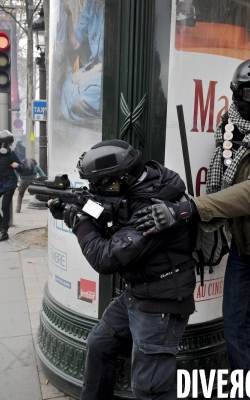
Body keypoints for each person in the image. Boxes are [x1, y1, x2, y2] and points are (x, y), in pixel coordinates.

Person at [134, 58, 250, 399]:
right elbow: (223, 178)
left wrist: (191, 208)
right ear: (239, 96)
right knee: (234, 325)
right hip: (244, 243)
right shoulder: (230, 129)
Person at [48, 140, 195, 400]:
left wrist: (80, 223)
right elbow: (109, 221)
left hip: (161, 303)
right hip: (138, 292)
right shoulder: (137, 189)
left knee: (150, 388)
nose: (93, 190)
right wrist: (72, 209)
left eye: (97, 184)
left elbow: (106, 258)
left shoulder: (153, 208)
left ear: (118, 180)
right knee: (99, 345)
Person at [60, 0, 104, 121]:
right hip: (93, 67)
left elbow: (113, 59)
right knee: (67, 87)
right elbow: (75, 43)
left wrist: (87, 75)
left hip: (110, 70)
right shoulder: (92, 4)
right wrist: (68, 17)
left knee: (81, 100)